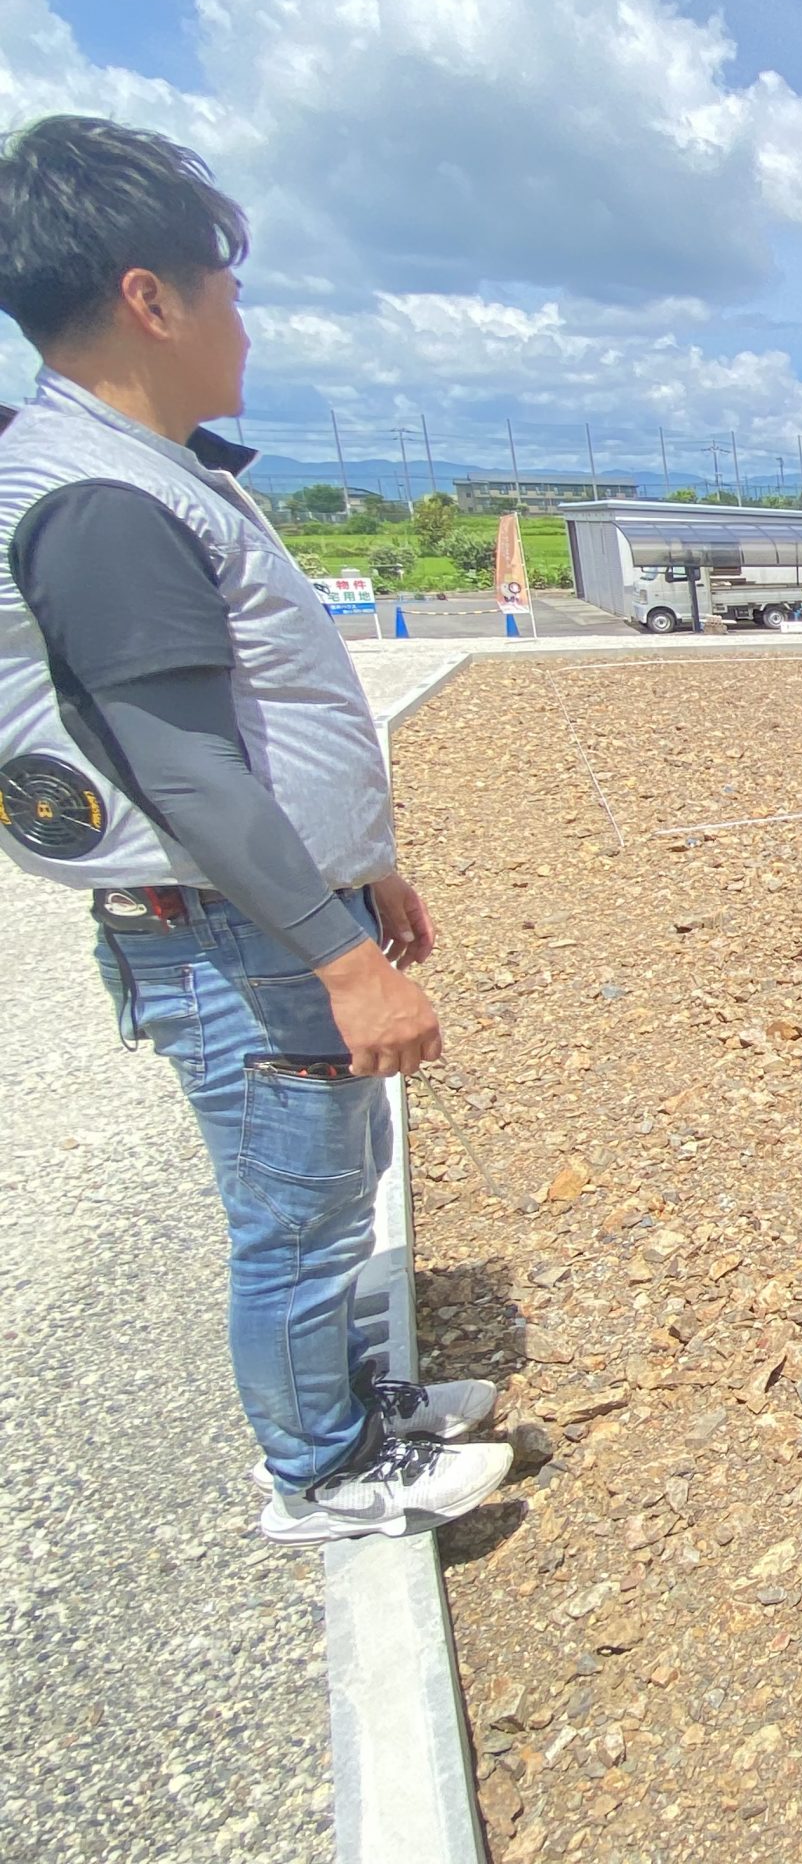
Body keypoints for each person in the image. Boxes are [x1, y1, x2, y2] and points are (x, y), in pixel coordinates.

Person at [0, 116, 513, 1544]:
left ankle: (354, 1413)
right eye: (224, 290)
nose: (243, 321)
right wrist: (339, 958)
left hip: (262, 912)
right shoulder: (102, 496)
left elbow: (252, 722)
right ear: (145, 299)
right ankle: (322, 1474)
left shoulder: (152, 468)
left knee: (330, 1192)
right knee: (293, 1217)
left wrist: (362, 875)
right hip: (223, 931)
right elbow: (182, 764)